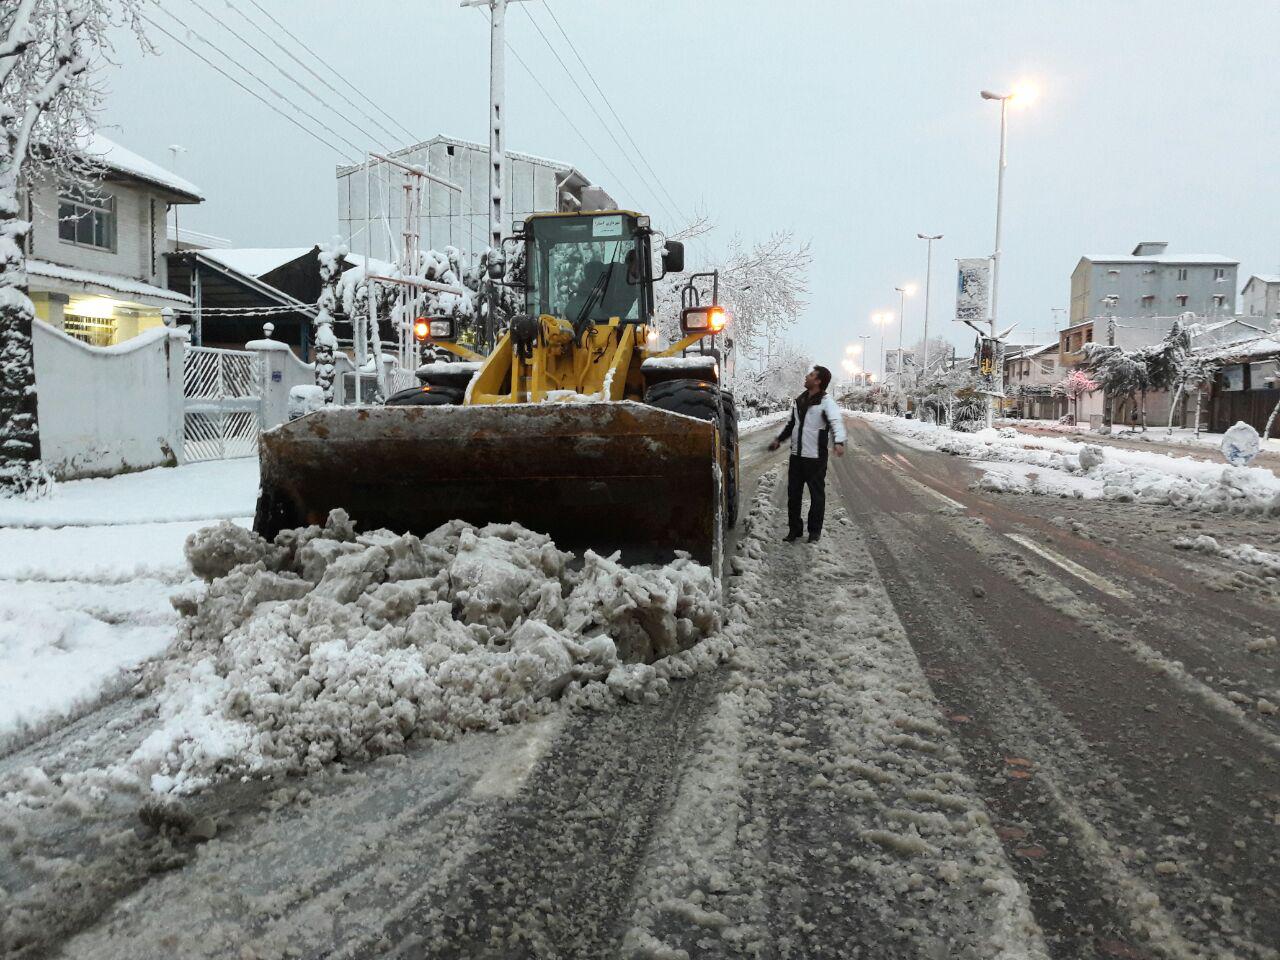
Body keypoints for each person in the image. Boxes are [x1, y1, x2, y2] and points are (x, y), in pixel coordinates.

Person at [768, 365, 846, 542]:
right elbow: (792, 425)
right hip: (797, 456)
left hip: (815, 457)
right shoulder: (799, 400)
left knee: (816, 496)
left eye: (811, 375)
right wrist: (779, 439)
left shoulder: (826, 402)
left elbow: (836, 423)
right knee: (793, 494)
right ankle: (794, 529)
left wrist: (839, 442)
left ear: (818, 381)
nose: (807, 377)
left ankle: (814, 531)